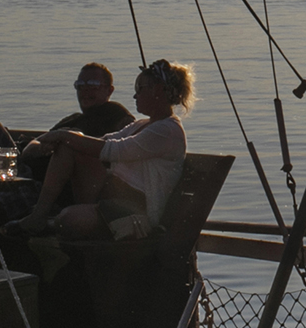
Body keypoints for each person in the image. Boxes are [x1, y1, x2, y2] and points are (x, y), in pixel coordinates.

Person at [13, 59, 192, 242]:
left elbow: (115, 150)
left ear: (159, 90)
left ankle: (49, 222)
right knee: (70, 146)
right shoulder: (142, 125)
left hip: (136, 210)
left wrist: (64, 135)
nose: (135, 96)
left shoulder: (167, 131)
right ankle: (39, 216)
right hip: (110, 195)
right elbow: (104, 141)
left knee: (68, 219)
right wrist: (65, 138)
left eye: (140, 88)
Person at [15, 62, 133, 175]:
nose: (85, 90)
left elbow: (125, 142)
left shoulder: (114, 114)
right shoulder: (73, 119)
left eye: (93, 85)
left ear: (109, 90)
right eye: (80, 85)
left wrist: (67, 139)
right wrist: (43, 147)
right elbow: (34, 144)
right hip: (24, 166)